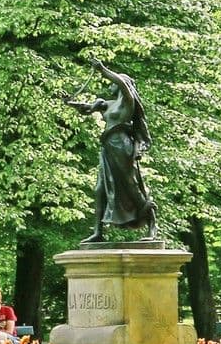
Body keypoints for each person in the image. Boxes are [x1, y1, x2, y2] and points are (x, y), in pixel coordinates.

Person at [66, 59, 159, 243]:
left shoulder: (127, 102)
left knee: (131, 185)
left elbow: (123, 83)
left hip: (122, 146)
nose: (111, 86)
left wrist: (102, 69)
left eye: (113, 83)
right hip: (108, 147)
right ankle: (97, 231)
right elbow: (85, 108)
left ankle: (152, 224)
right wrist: (69, 102)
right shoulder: (109, 104)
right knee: (100, 188)